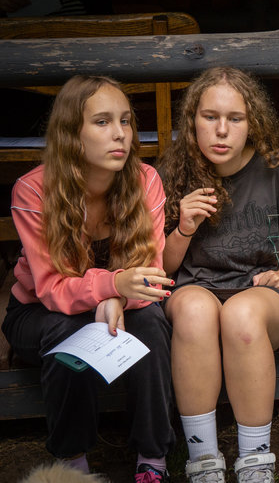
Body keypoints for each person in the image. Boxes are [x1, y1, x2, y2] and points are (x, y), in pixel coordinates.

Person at [158, 66, 279, 483]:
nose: (221, 130)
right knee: (197, 311)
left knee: (240, 314)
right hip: (194, 287)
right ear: (192, 121)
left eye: (235, 119)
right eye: (209, 117)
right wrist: (183, 228)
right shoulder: (172, 173)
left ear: (252, 123)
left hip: (260, 295)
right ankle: (202, 462)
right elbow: (161, 268)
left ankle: (255, 461)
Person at [0, 75, 175, 481]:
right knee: (67, 329)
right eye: (102, 122)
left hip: (127, 305)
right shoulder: (33, 191)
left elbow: (149, 279)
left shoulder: (146, 181)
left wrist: (118, 295)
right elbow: (50, 289)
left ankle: (153, 459)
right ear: (71, 134)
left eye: (126, 121)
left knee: (151, 323)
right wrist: (112, 287)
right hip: (37, 312)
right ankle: (72, 463)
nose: (120, 134)